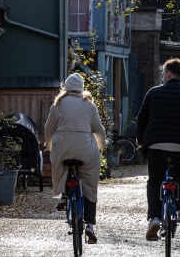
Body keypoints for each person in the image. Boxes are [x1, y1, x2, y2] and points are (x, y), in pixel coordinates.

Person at [136, 58, 180, 241]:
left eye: (162, 74)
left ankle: (154, 218)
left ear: (168, 74)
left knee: (154, 180)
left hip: (155, 144)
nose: (162, 77)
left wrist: (140, 140)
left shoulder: (153, 92)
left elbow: (141, 119)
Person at [44, 73, 107, 244]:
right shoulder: (89, 104)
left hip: (62, 148)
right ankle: (90, 225)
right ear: (81, 89)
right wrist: (100, 147)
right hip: (85, 150)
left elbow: (49, 129)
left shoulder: (58, 104)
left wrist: (50, 147)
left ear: (66, 87)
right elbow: (98, 129)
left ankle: (64, 196)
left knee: (61, 166)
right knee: (90, 185)